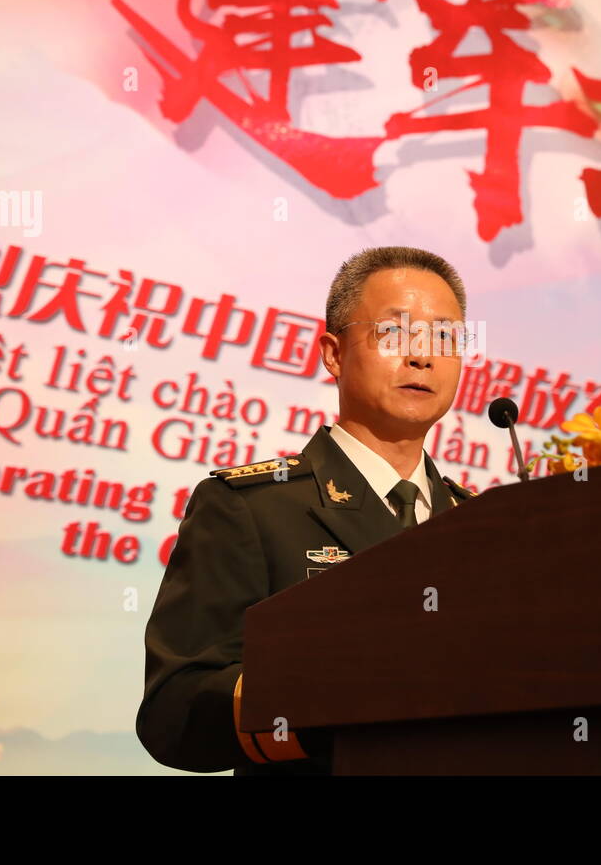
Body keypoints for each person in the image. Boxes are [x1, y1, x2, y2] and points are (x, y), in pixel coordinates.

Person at [136, 246, 478, 775]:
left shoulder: (482, 526)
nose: (421, 356)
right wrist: (336, 691)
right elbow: (173, 710)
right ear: (333, 353)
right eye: (395, 333)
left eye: (443, 338)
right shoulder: (252, 507)